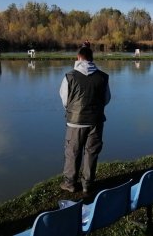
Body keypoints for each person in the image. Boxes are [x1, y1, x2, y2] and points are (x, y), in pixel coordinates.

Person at [59, 46, 111, 195]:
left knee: (72, 152)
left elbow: (64, 99)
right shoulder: (103, 77)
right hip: (96, 121)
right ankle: (87, 184)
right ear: (92, 59)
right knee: (91, 152)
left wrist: (72, 111)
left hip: (75, 122)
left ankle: (70, 183)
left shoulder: (70, 76)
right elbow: (106, 99)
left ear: (78, 57)